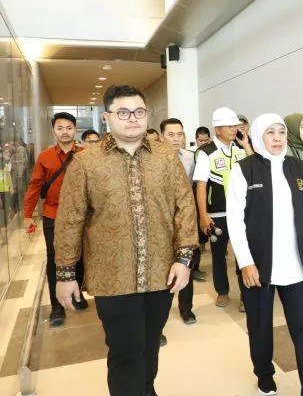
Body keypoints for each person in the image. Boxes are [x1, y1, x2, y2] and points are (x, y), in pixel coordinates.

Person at [54, 85, 197, 396]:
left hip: (161, 273)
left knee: (150, 344)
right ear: (107, 117)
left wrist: (184, 258)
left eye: (139, 112)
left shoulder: (165, 157)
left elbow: (185, 206)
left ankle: (147, 389)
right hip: (112, 277)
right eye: (123, 112)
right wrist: (65, 274)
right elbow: (69, 220)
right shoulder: (87, 162)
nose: (133, 118)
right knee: (125, 351)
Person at [227, 114, 303, 396]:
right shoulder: (245, 170)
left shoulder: (297, 167)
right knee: (259, 325)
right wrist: (246, 262)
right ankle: (264, 375)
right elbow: (235, 220)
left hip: (295, 263)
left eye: (281, 132)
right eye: (270, 132)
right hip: (259, 264)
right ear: (259, 136)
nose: (277, 138)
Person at [23, 112, 87, 327]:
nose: (65, 132)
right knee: (55, 259)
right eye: (60, 128)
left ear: (75, 129)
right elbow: (34, 186)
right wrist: (27, 215)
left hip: (81, 216)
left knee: (80, 257)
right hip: (53, 214)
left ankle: (76, 294)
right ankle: (57, 307)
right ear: (53, 130)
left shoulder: (86, 154)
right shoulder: (45, 156)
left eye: (69, 128)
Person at [193, 107, 253, 311]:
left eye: (235, 125)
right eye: (229, 126)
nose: (234, 129)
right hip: (217, 214)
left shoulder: (239, 148)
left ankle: (246, 295)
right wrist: (203, 215)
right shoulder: (206, 152)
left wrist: (246, 145)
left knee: (243, 255)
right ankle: (222, 291)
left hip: (241, 213)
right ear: (217, 129)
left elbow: (254, 167)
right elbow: (201, 185)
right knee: (218, 256)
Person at [160, 117, 205, 326]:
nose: (176, 139)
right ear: (161, 137)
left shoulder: (191, 158)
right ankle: (160, 314)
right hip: (163, 221)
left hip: (186, 219)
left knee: (187, 261)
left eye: (180, 134)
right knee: (163, 267)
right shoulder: (153, 160)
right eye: (171, 135)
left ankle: (186, 309)